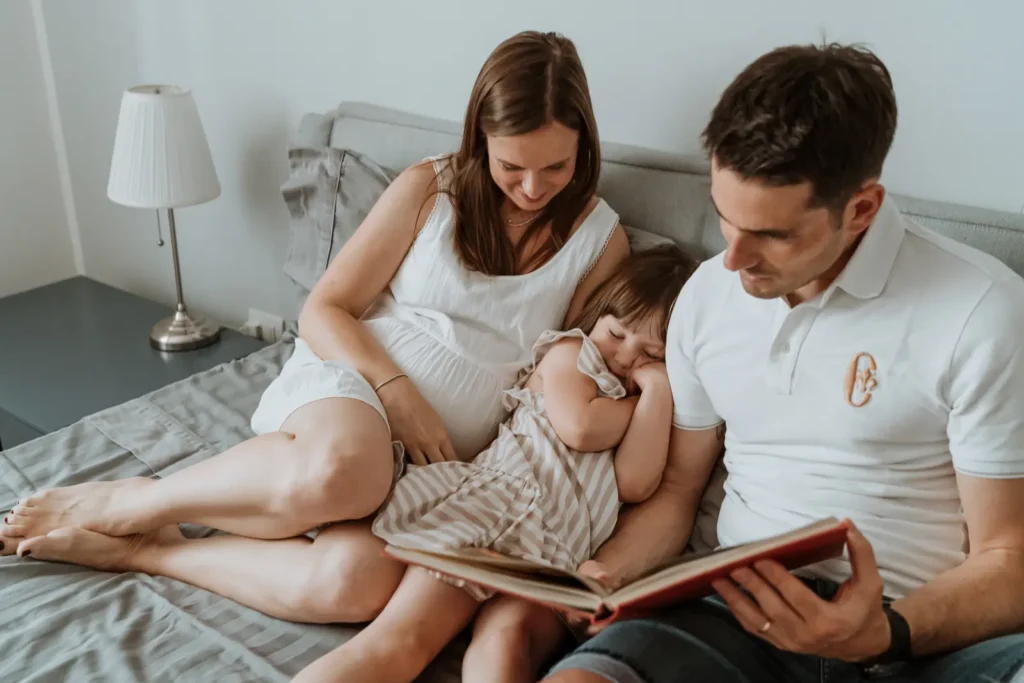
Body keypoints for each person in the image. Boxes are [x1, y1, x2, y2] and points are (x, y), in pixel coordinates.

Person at [0, 28, 631, 647]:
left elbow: (566, 371)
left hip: (435, 471)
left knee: (352, 587)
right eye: (510, 165)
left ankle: (149, 553)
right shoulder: (432, 188)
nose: (530, 188)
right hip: (352, 385)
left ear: (585, 147)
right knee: (348, 472)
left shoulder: (600, 241)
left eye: (556, 166)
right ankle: (142, 502)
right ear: (480, 139)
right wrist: (399, 392)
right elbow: (325, 308)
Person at [544, 43, 1024, 683]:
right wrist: (608, 575)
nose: (733, 259)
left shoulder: (980, 311)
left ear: (861, 209)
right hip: (738, 615)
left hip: (922, 633)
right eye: (723, 218)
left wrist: (888, 632)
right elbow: (680, 492)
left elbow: (1008, 556)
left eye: (772, 235)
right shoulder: (707, 297)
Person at [297, 245, 695, 683]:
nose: (624, 357)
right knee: (402, 643)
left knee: (505, 652)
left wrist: (656, 394)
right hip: (500, 511)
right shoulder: (573, 354)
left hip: (552, 549)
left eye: (650, 354)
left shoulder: (643, 400)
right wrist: (639, 409)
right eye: (617, 334)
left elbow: (635, 483)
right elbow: (579, 428)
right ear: (598, 317)